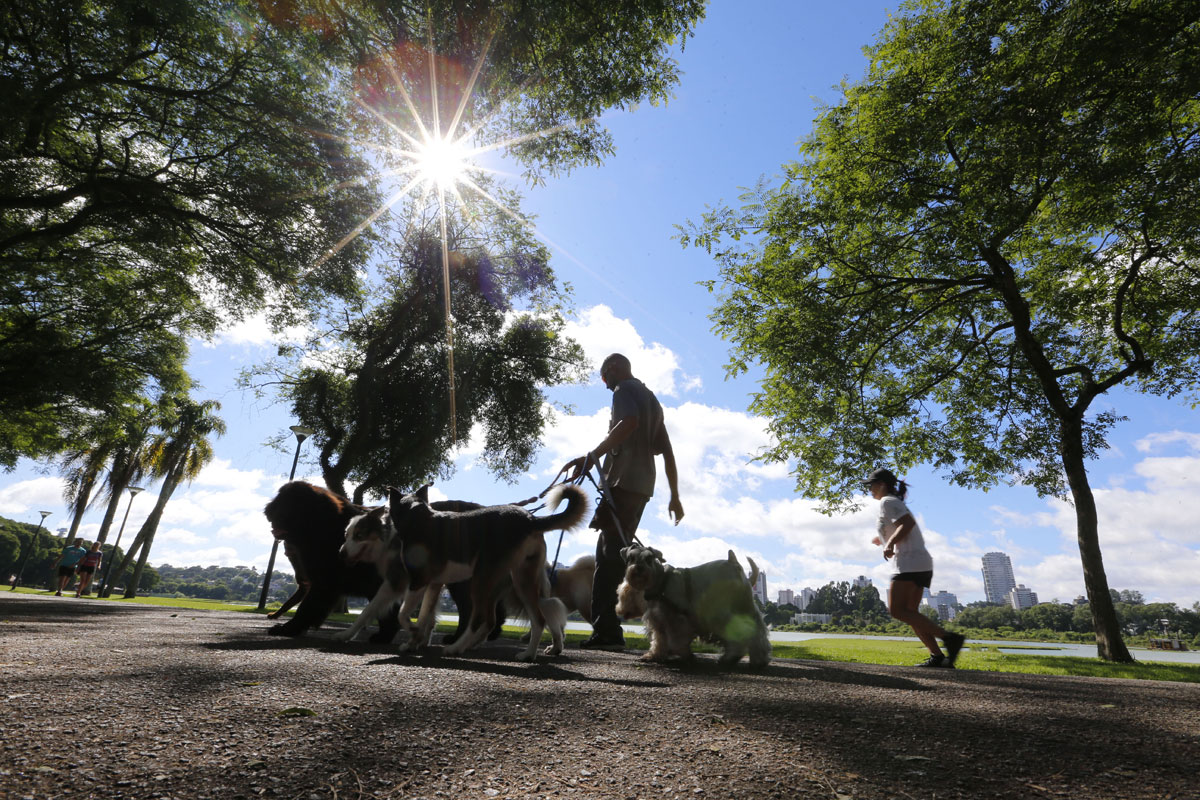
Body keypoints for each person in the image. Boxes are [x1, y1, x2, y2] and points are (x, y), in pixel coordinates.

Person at [562, 353, 684, 650]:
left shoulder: (624, 390)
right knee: (614, 555)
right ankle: (612, 625)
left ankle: (608, 631)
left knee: (607, 559)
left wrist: (592, 457)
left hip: (624, 484)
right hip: (641, 487)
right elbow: (667, 451)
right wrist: (675, 495)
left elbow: (628, 422)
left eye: (604, 378)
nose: (605, 386)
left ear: (613, 370)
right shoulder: (652, 400)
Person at [864, 468, 965, 668]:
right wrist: (882, 539)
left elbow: (907, 524)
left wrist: (890, 542)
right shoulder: (892, 502)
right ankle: (937, 657)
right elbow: (900, 525)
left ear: (882, 484)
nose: (869, 489)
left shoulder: (888, 501)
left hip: (908, 563)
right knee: (911, 612)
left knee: (897, 610)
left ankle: (950, 638)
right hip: (920, 563)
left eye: (871, 485)